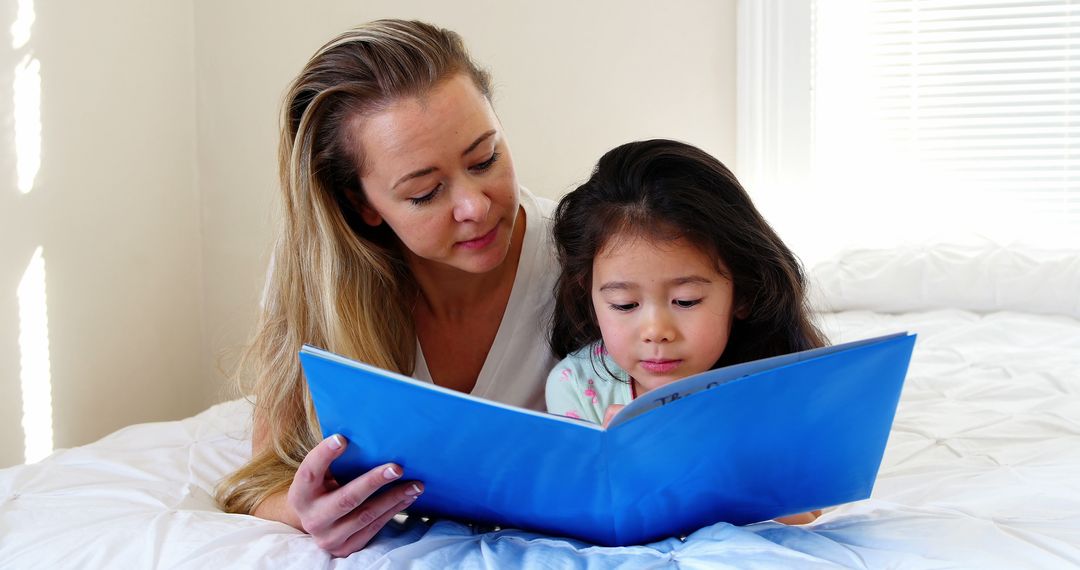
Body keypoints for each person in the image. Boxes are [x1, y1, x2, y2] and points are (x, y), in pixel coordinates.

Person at [214, 20, 560, 557]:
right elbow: (262, 476)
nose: (475, 205)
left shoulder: (579, 259)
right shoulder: (321, 281)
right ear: (363, 205)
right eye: (425, 192)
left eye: (485, 158)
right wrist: (306, 511)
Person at [545, 139, 827, 524]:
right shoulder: (577, 385)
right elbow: (582, 512)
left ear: (741, 293)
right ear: (589, 294)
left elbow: (806, 517)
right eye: (625, 305)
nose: (656, 331)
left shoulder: (770, 382)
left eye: (687, 300)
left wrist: (700, 454)